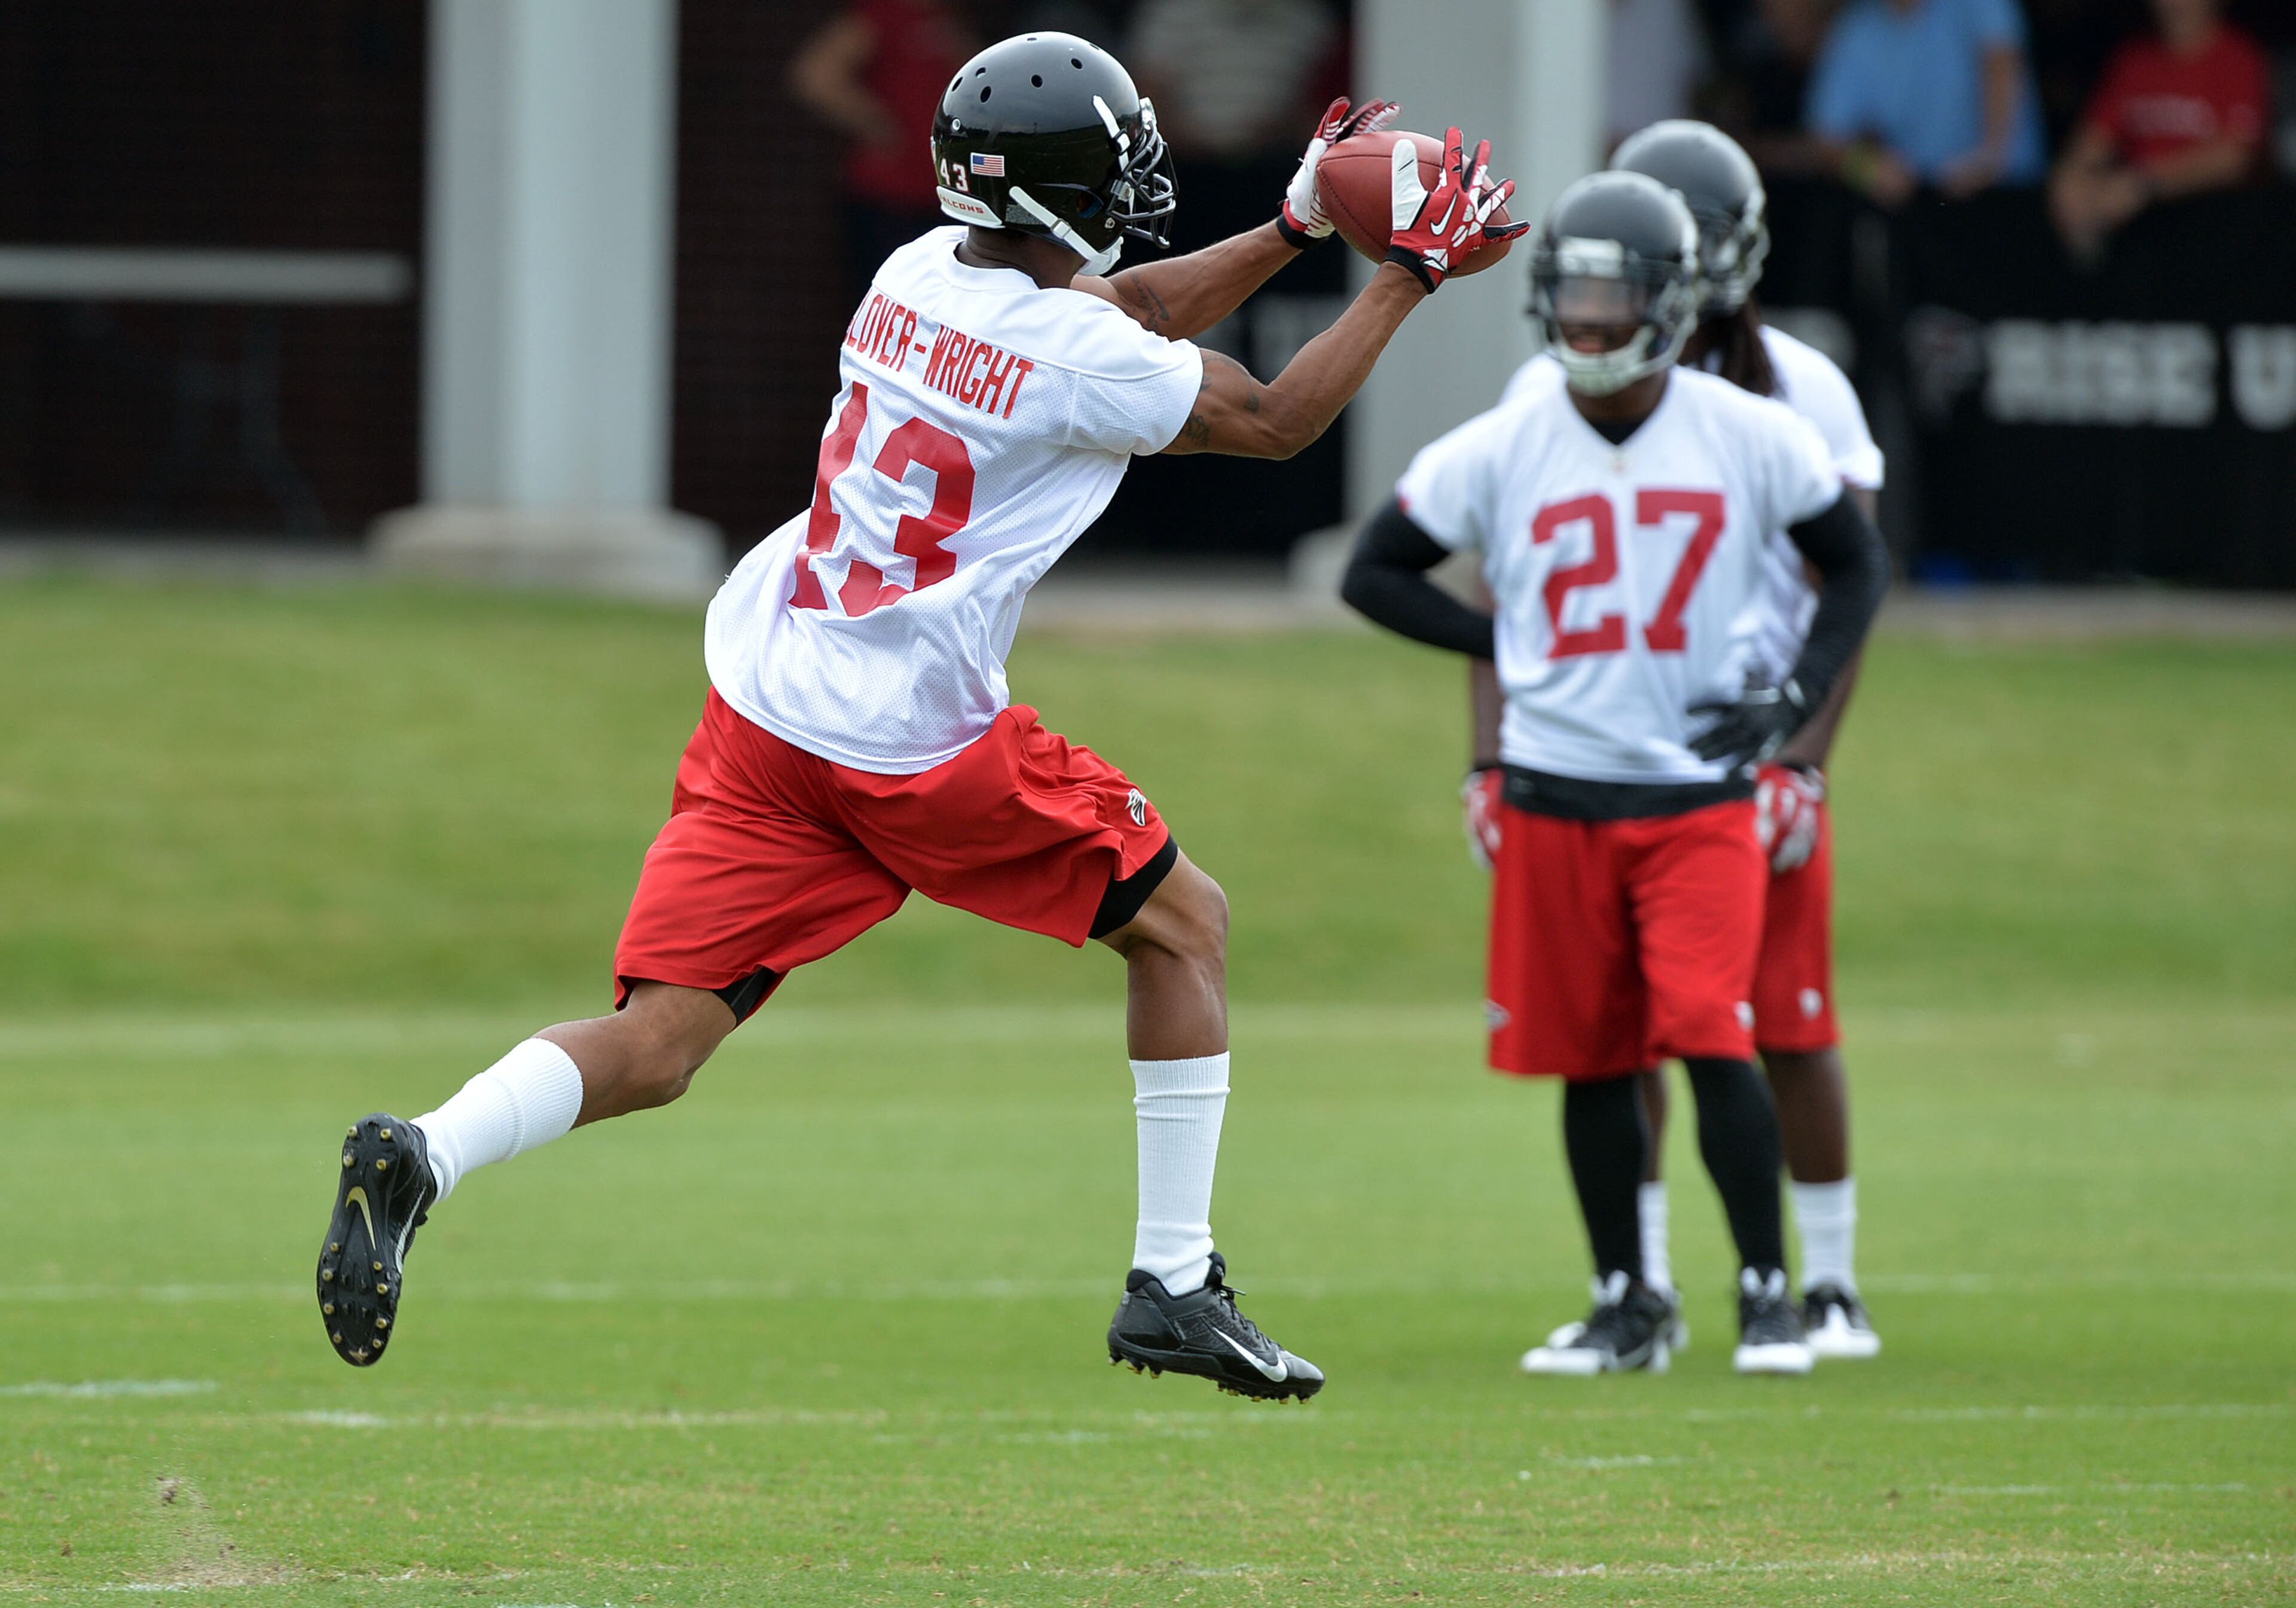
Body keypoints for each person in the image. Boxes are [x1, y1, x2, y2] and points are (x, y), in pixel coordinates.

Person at [314, 33, 1524, 1402]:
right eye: (1114, 155)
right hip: (910, 741)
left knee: (657, 1044)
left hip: (770, 706)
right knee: (1187, 925)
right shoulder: (1070, 352)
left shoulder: (915, 273)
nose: (1136, 172)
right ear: (1066, 185)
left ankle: (428, 1148)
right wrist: (1404, 276)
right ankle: (1173, 1286)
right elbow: (1271, 418)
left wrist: (1297, 219)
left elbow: (1110, 318)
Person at [1341, 172, 1889, 1377]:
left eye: (1614, 299)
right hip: (1551, 789)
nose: (1589, 324)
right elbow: (1373, 571)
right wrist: (1506, 651)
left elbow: (1855, 567)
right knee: (1588, 1053)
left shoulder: (1754, 430)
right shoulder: (1511, 432)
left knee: (1711, 1032)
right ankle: (1626, 1301)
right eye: (1573, 298)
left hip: (1696, 790)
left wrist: (1794, 704)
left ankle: (1769, 1294)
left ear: (1673, 303)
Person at [789, 0, 980, 302]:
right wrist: (879, 124)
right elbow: (817, 75)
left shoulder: (947, 20)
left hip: (942, 197)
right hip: (887, 199)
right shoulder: (884, 13)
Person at [2050, 0, 2271, 257]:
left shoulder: (2238, 57)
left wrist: (2144, 183)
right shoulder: (2133, 61)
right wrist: (2072, 177)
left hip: (2222, 233)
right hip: (2141, 240)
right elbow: (2095, 138)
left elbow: (2234, 157)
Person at [1806, 0, 2048, 207]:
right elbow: (1825, 138)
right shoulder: (1858, 27)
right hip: (1922, 203)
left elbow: (2001, 62)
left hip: (2009, 192)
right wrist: (1865, 167)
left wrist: (1990, 157)